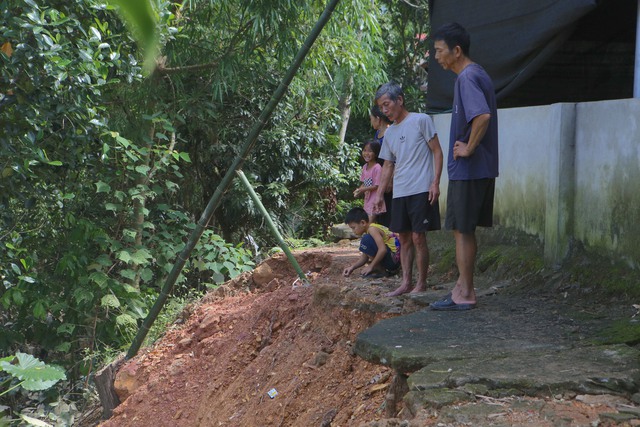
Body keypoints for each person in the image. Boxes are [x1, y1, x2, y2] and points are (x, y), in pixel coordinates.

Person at [430, 22, 499, 311]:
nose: (436, 56)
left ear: (457, 51)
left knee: (462, 229)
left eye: (440, 50)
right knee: (463, 229)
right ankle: (461, 286)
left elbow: (481, 116)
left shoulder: (467, 78)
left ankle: (467, 292)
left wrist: (468, 147)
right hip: (477, 169)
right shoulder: (475, 74)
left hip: (470, 169)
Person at [372, 82, 443, 297]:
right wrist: (380, 194)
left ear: (399, 100)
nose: (384, 111)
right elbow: (387, 165)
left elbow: (437, 151)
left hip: (421, 188)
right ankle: (405, 282)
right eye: (381, 107)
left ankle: (421, 283)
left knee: (418, 237)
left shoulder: (421, 120)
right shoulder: (390, 133)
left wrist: (435, 182)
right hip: (400, 191)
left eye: (387, 104)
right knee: (402, 238)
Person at [342, 207, 400, 278]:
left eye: (353, 228)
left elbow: (382, 250)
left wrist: (371, 266)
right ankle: (378, 268)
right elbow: (364, 257)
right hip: (393, 259)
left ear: (363, 223)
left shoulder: (372, 229)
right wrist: (352, 267)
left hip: (393, 260)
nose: (353, 231)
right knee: (366, 240)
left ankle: (380, 270)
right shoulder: (370, 230)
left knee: (366, 239)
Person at [370, 105, 393, 227]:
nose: (371, 121)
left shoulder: (390, 132)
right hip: (379, 177)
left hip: (388, 177)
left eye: (371, 118)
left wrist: (390, 180)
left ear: (378, 119)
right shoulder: (377, 134)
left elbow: (391, 160)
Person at [353, 140, 385, 222]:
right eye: (365, 150)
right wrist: (358, 191)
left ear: (376, 153)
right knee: (368, 222)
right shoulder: (364, 167)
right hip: (367, 199)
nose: (366, 153)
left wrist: (362, 189)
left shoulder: (377, 167)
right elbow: (364, 182)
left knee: (369, 223)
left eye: (370, 151)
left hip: (375, 200)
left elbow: (377, 186)